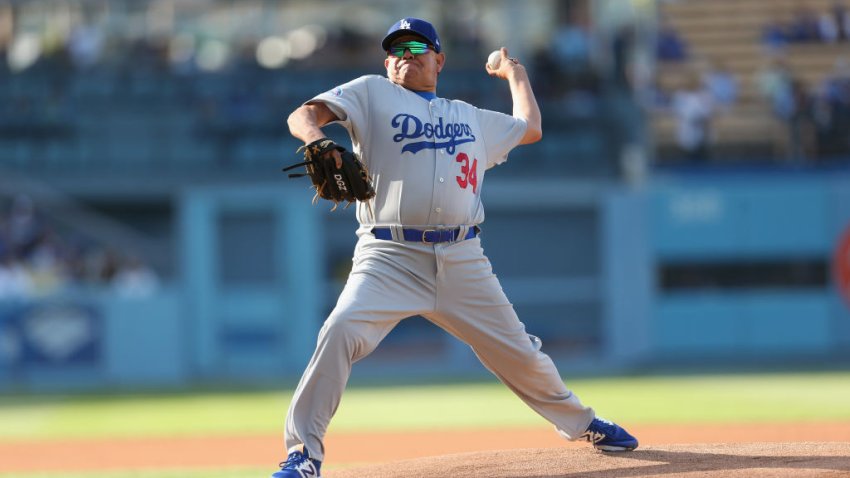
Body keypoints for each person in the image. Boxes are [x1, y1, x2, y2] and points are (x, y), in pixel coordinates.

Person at [272, 18, 638, 478]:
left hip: (463, 257)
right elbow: (300, 116)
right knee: (340, 329)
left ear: (439, 59)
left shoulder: (468, 116)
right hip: (389, 255)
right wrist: (317, 139)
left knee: (521, 353)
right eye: (395, 50)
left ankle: (582, 423)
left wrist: (514, 72)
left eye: (416, 46)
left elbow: (530, 127)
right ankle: (303, 454)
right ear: (387, 63)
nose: (405, 54)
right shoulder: (370, 92)